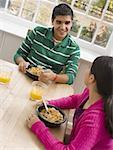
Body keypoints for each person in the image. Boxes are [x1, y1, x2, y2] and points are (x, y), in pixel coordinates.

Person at [26, 56, 113, 149]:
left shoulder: (94, 122)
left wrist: (38, 127)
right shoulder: (91, 93)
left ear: (91, 78)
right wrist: (50, 103)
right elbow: (75, 100)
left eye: (89, 67)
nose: (87, 70)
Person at [14, 3, 80, 85]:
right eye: (59, 22)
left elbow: (71, 77)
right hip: (24, 77)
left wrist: (54, 77)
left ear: (71, 24)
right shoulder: (37, 32)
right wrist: (21, 62)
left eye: (67, 23)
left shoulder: (74, 49)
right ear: (52, 21)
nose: (63, 27)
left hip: (46, 85)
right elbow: (18, 55)